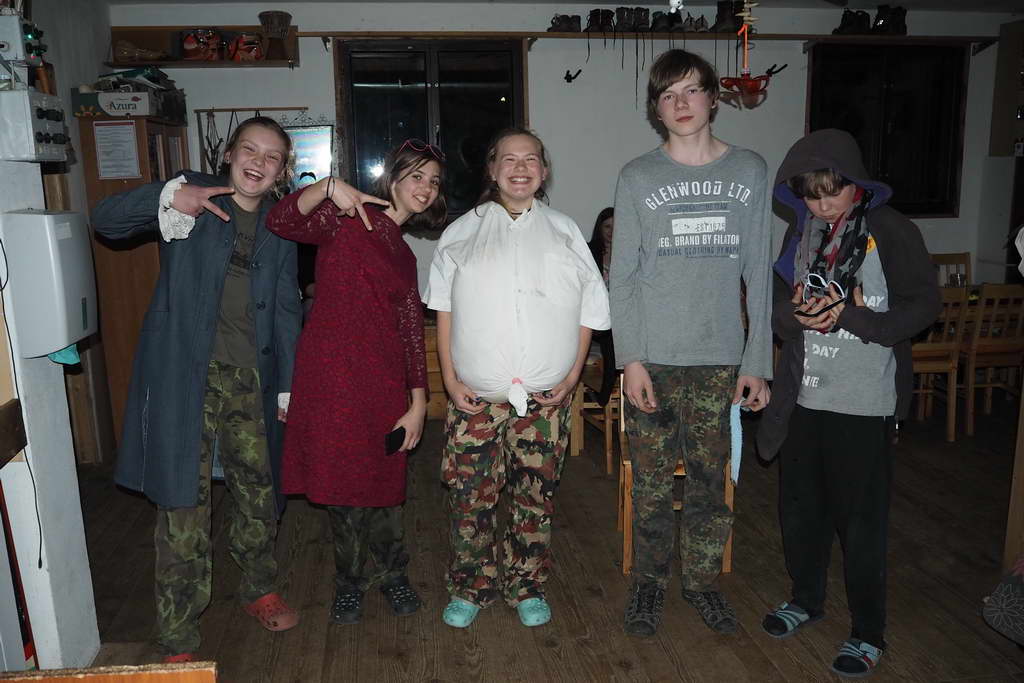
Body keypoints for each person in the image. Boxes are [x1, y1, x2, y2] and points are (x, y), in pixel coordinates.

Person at [91, 116, 305, 662]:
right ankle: (179, 630)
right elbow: (105, 220)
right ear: (229, 154)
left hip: (252, 381)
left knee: (259, 492)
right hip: (187, 379)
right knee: (182, 502)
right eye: (250, 150)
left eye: (272, 156)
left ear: (282, 170)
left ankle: (259, 586)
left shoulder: (282, 224)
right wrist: (166, 196)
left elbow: (286, 306)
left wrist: (288, 386)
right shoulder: (191, 194)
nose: (259, 162)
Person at [756, 129, 940, 678]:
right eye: (811, 196)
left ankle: (867, 632)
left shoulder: (891, 229)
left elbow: (924, 306)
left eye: (832, 192)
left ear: (855, 183)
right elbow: (778, 308)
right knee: (801, 513)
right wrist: (798, 316)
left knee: (860, 526)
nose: (822, 205)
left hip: (864, 403)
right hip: (804, 398)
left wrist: (851, 317)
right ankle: (806, 600)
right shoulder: (802, 232)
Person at [610, 49, 773, 638]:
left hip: (720, 360)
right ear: (656, 109)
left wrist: (757, 361)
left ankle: (703, 584)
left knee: (711, 483)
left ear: (713, 98)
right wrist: (629, 359)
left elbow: (758, 270)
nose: (680, 104)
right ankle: (649, 584)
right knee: (652, 486)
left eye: (691, 90)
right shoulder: (637, 176)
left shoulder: (749, 169)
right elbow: (622, 276)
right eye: (667, 95)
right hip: (652, 360)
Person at [423, 128, 611, 629]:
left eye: (531, 159)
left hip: (545, 401)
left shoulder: (565, 231)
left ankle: (526, 585)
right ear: (492, 169)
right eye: (509, 159)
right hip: (476, 399)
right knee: (470, 497)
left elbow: (590, 309)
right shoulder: (461, 232)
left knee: (535, 496)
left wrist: (572, 376)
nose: (520, 168)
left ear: (544, 172)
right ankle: (470, 586)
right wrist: (449, 380)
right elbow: (442, 309)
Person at [265, 140, 447, 625]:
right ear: (393, 178)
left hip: (383, 383)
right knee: (342, 487)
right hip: (330, 379)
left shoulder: (405, 256)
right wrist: (327, 187)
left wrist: (418, 402)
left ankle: (393, 574)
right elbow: (280, 221)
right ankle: (349, 582)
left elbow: (411, 333)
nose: (425, 187)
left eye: (433, 181)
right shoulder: (344, 219)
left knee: (386, 483)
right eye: (416, 175)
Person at [587, 206, 614, 285]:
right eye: (607, 227)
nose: (611, 231)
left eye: (615, 227)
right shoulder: (588, 251)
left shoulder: (628, 254)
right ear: (600, 227)